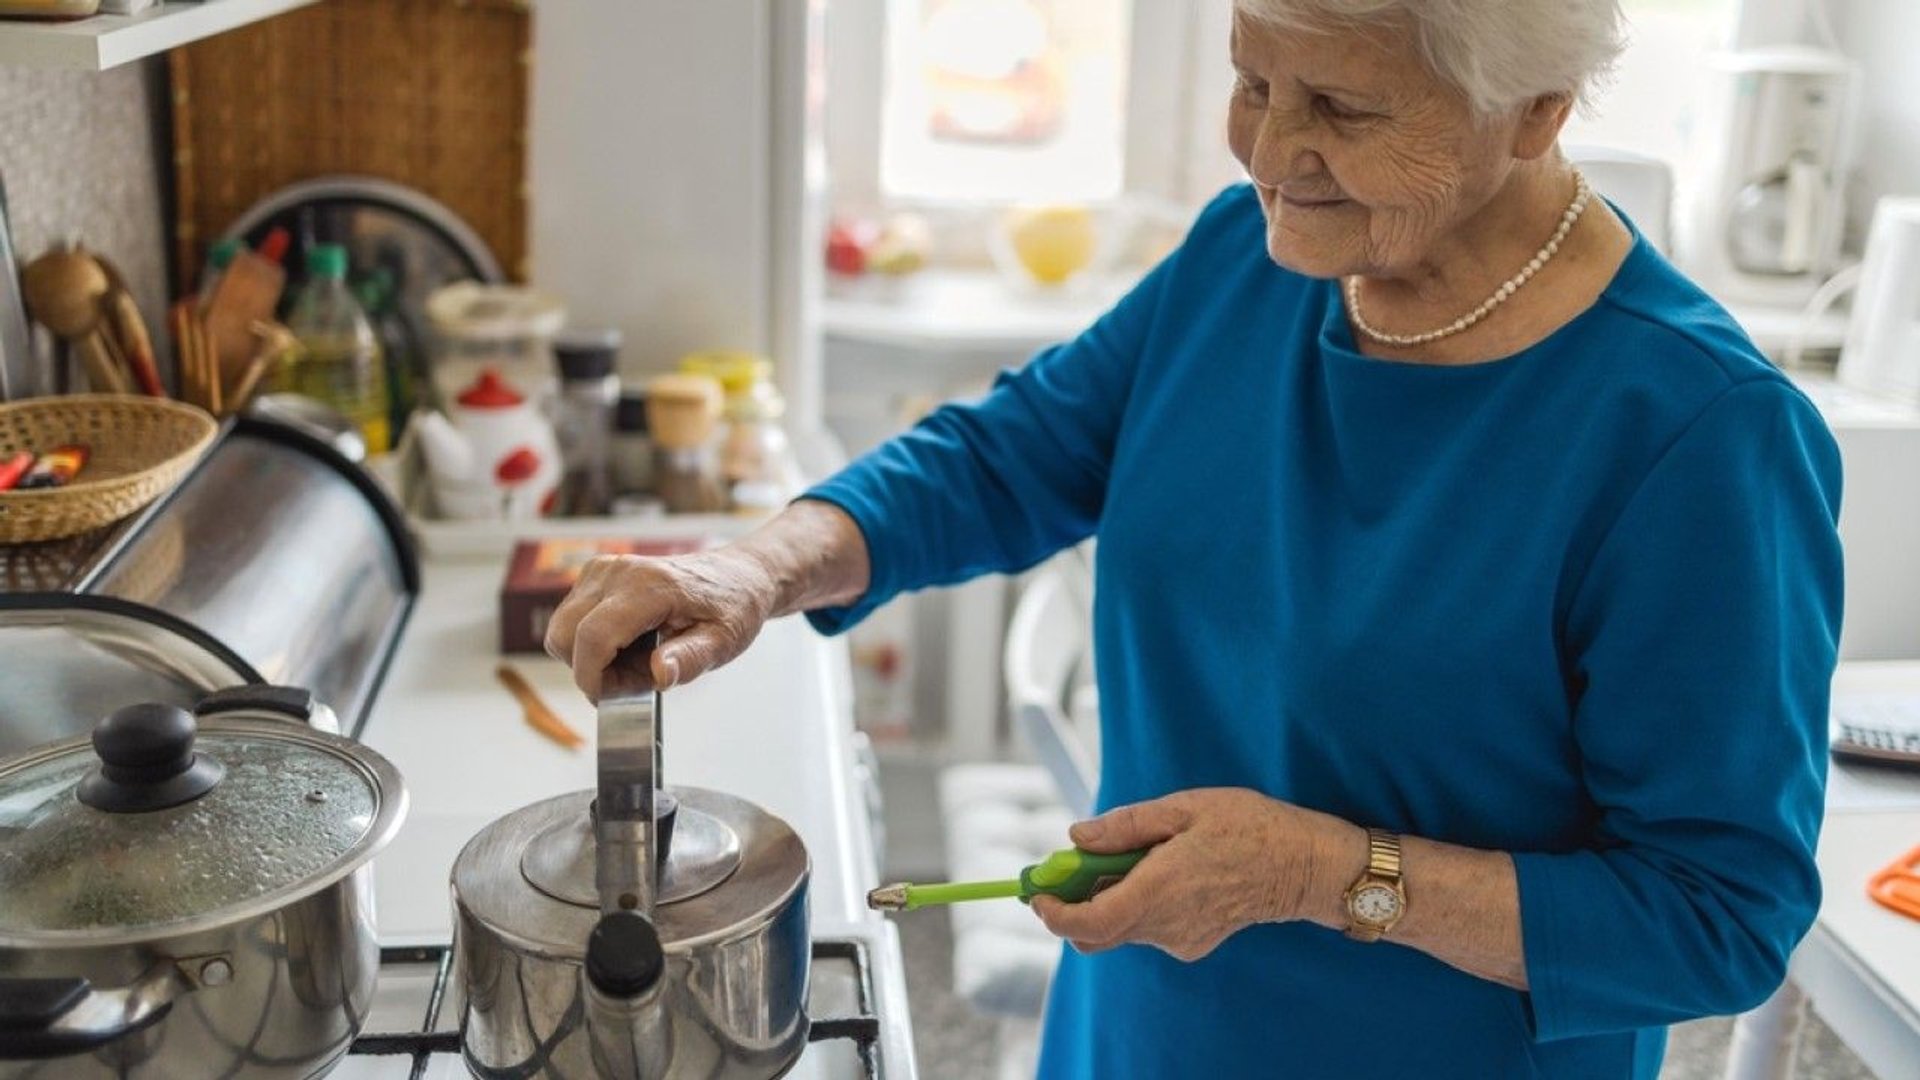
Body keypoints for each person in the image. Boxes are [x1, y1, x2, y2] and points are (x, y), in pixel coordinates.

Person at [545, 1, 1845, 1075]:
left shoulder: (1702, 440)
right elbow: (1011, 455)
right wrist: (757, 565)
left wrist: (1319, 874)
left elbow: (1717, 919)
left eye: (1342, 108)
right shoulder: (1252, 256)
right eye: (1248, 75)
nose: (1270, 150)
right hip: (1137, 1026)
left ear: (1538, 112)